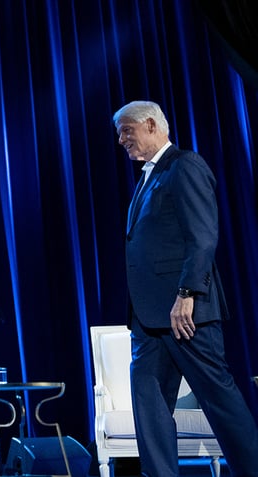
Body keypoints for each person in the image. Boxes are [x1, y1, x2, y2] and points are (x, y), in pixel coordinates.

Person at [114, 100, 258, 476]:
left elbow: (203, 237)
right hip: (148, 318)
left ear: (150, 125)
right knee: (150, 406)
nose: (121, 139)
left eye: (126, 130)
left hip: (185, 312)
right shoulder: (149, 175)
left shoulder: (184, 165)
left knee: (219, 399)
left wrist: (187, 294)